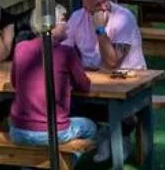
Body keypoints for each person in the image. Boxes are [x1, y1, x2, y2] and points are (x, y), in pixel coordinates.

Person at [6, 22, 97, 157]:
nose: (67, 24)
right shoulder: (66, 52)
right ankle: (67, 165)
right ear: (49, 25)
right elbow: (84, 85)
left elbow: (14, 83)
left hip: (18, 130)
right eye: (63, 19)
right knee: (90, 127)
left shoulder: (20, 48)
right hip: (54, 131)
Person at [67, 0, 146, 73]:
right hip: (94, 74)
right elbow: (64, 49)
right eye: (97, 4)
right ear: (86, 7)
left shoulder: (124, 18)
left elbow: (112, 63)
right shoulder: (77, 18)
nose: (104, 7)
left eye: (105, 0)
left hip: (127, 74)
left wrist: (100, 30)